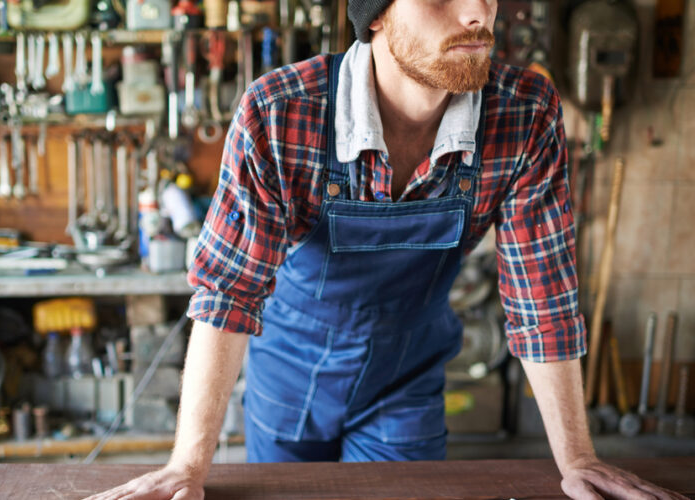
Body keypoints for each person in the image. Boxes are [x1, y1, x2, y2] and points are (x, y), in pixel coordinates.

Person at [85, 1, 685, 499]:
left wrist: (577, 457)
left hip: (408, 376)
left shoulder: (524, 115)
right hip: (290, 376)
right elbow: (229, 292)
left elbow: (542, 300)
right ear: (376, 15)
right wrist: (188, 466)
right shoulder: (279, 112)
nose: (478, 13)